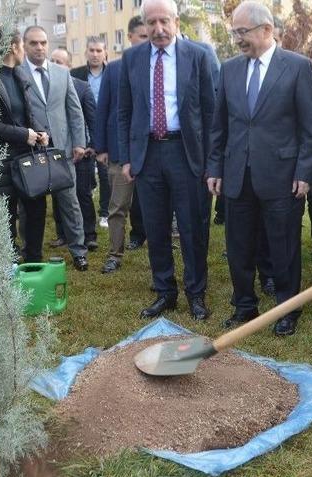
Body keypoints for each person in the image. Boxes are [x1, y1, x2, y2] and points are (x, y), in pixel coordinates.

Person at [207, 1, 312, 336]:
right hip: (237, 176)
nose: (237, 39)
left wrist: (304, 172)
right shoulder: (229, 69)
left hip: (283, 177)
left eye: (242, 32)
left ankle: (287, 310)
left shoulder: (297, 66)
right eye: (234, 32)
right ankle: (244, 306)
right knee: (239, 247)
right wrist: (215, 167)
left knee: (284, 248)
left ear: (267, 29)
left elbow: (310, 129)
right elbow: (219, 126)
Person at [118, 0, 215, 321]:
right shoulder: (132, 58)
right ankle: (165, 292)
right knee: (155, 228)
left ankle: (196, 294)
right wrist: (127, 157)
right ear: (144, 24)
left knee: (192, 227)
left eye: (164, 21)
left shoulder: (198, 56)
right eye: (152, 22)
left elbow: (210, 111)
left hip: (186, 154)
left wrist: (211, 161)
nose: (158, 29)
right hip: (148, 155)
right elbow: (124, 111)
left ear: (176, 22)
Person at [19, 26, 90, 271]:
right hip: (31, 153)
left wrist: (79, 142)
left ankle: (79, 251)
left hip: (62, 151)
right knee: (30, 208)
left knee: (70, 203)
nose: (39, 47)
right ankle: (30, 252)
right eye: (33, 43)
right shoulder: (18, 74)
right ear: (24, 45)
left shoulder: (61, 73)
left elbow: (74, 111)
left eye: (43, 42)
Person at [95, 16, 150, 274]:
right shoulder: (115, 69)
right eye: (143, 36)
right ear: (130, 37)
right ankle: (114, 255)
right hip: (119, 150)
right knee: (117, 206)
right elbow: (103, 108)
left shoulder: (160, 66)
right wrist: (102, 147)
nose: (148, 40)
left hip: (152, 150)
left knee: (157, 206)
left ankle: (159, 253)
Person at [0, 27, 50, 259]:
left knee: (37, 211)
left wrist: (40, 132)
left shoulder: (20, 76)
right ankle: (10, 265)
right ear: (14, 47)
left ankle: (34, 259)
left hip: (28, 158)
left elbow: (28, 114)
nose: (25, 51)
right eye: (22, 45)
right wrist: (22, 134)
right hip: (3, 161)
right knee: (7, 216)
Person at [49, 48, 99, 252]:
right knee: (58, 194)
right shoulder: (46, 87)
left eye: (59, 62)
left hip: (81, 152)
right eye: (52, 61)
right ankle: (62, 234)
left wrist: (92, 146)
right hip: (57, 151)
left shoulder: (82, 87)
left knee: (82, 194)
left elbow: (92, 119)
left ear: (69, 66)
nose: (55, 65)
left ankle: (89, 235)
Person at [71, 37, 111, 227]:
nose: (95, 54)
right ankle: (84, 215)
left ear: (105, 53)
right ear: (86, 52)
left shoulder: (112, 72)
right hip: (83, 130)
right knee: (84, 176)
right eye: (92, 50)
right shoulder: (75, 74)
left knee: (105, 173)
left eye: (99, 50)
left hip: (106, 128)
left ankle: (105, 212)